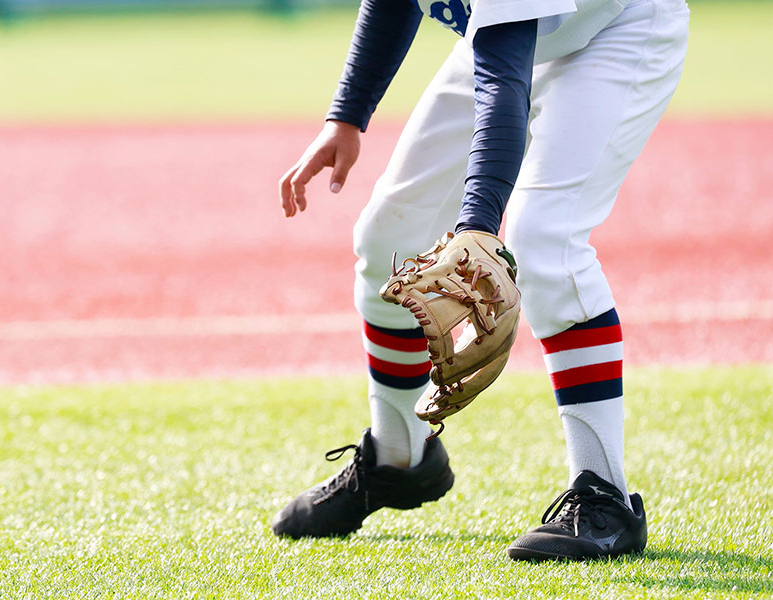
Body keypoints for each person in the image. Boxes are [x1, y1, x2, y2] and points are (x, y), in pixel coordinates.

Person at [273, 0, 688, 561]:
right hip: (503, 40)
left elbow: (504, 78)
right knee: (387, 239)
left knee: (545, 240)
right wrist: (345, 115)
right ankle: (399, 457)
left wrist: (478, 229)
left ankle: (605, 496)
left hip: (615, 29)